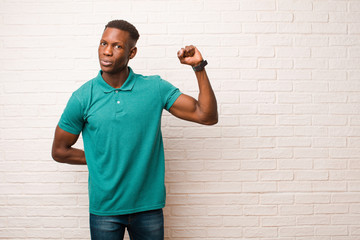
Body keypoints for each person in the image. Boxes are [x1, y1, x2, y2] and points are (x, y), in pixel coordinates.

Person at [51, 19, 217, 240]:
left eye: (117, 46)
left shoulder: (154, 88)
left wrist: (198, 67)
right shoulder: (82, 97)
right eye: (103, 44)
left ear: (132, 52)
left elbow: (206, 116)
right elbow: (60, 151)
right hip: (105, 210)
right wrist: (100, 158)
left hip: (148, 208)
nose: (107, 52)